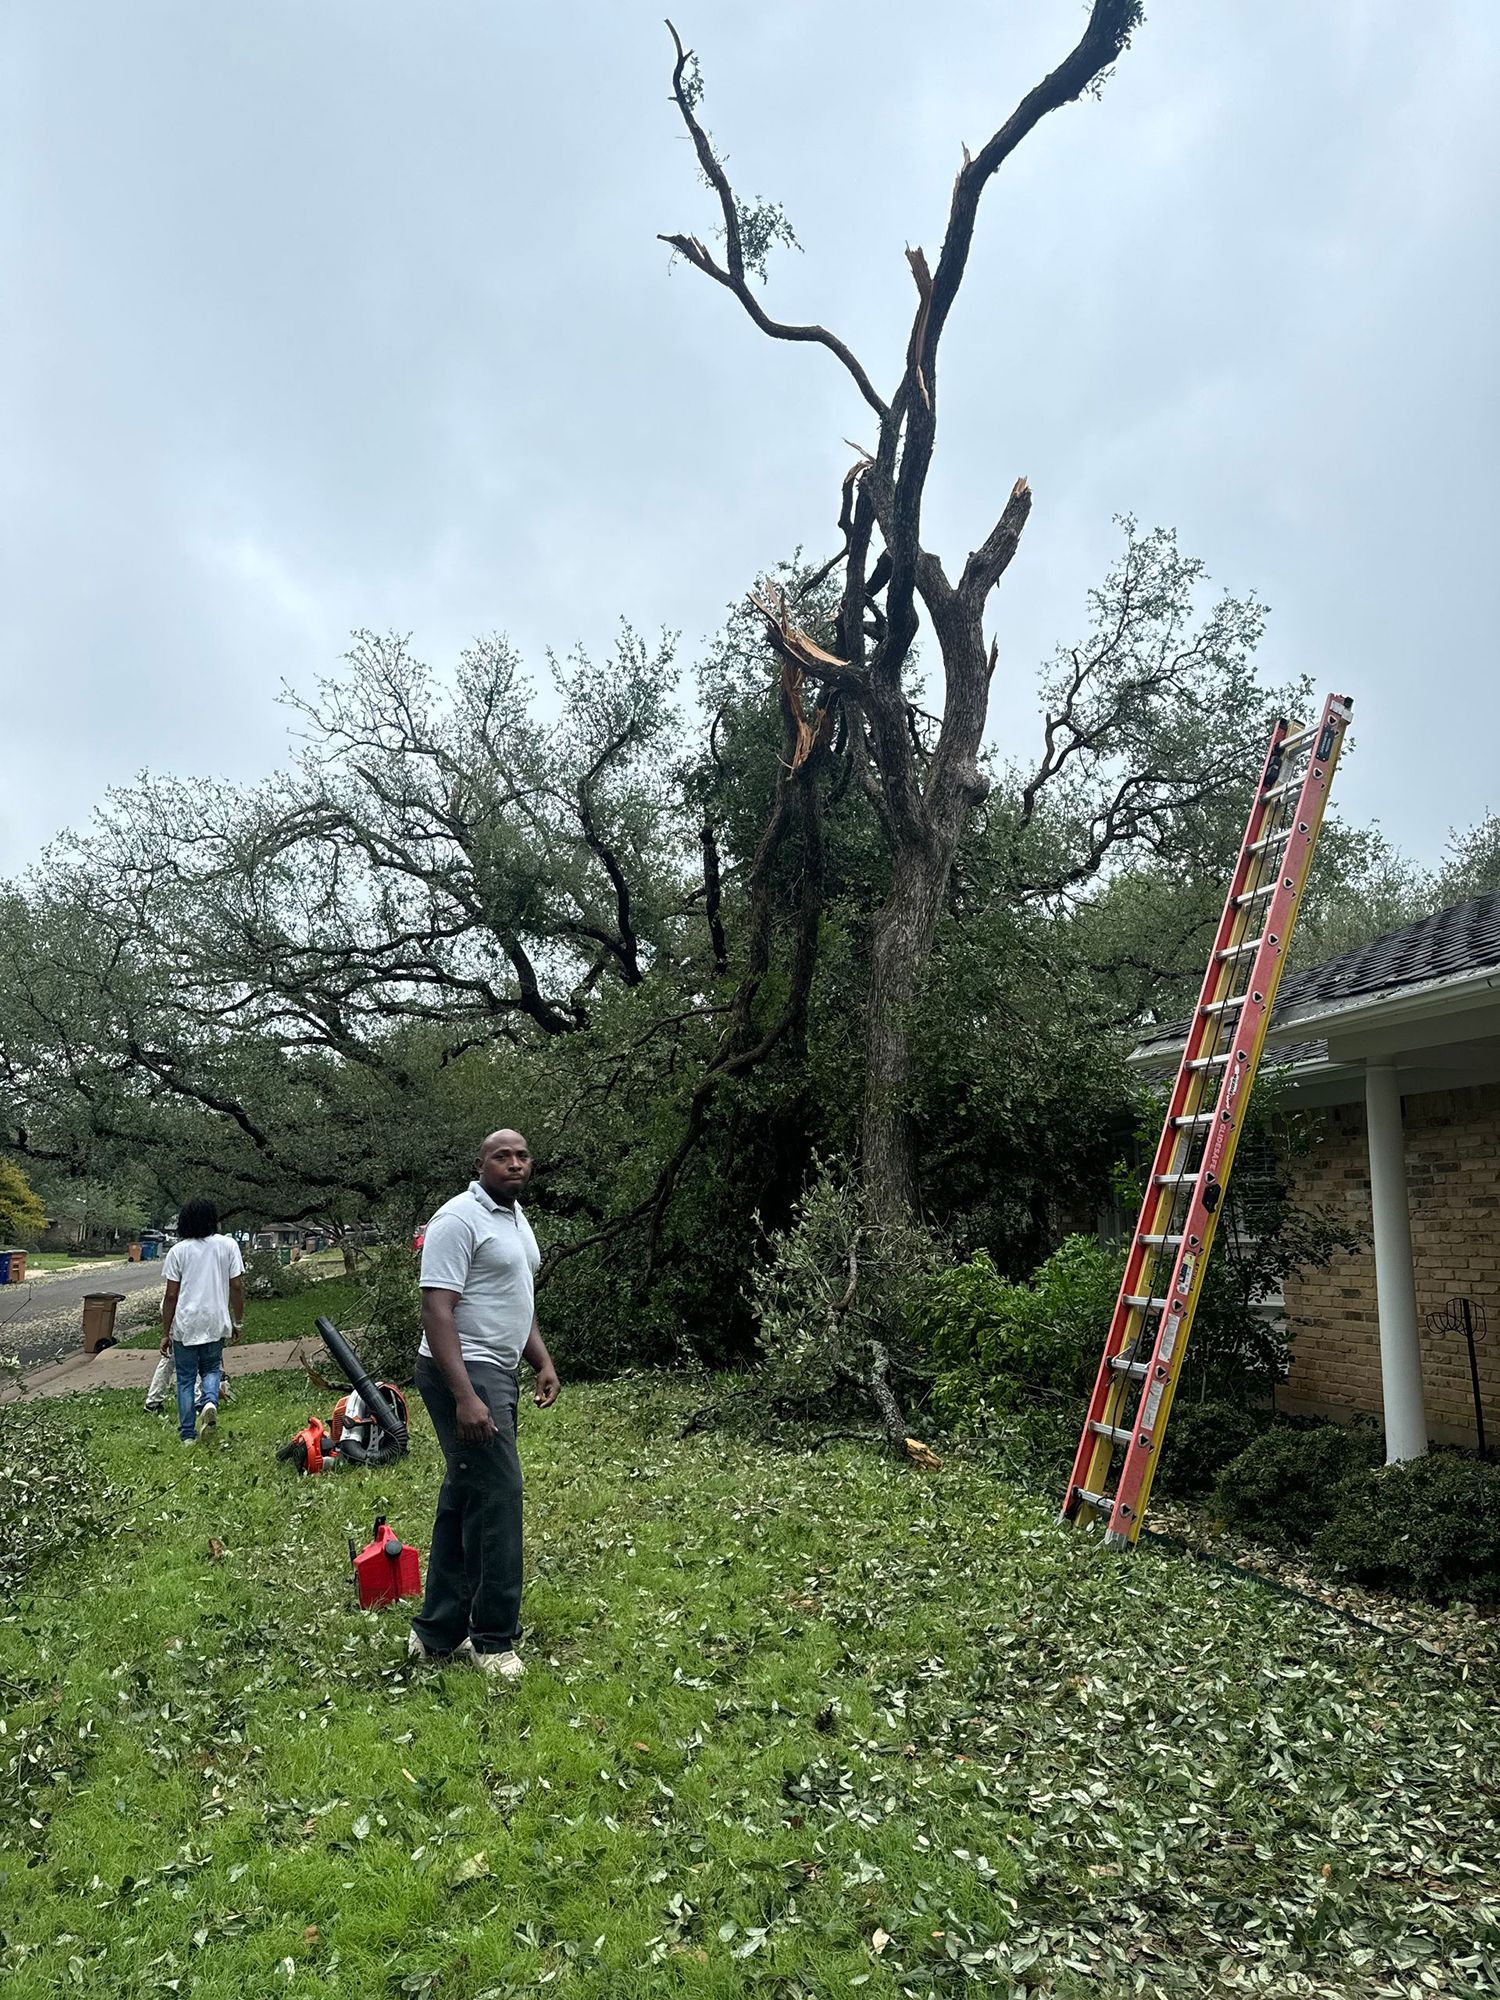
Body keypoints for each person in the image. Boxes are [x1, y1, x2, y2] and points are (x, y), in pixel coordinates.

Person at [409, 1129, 560, 1679]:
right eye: (503, 1156)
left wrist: (540, 1358)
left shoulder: (515, 1219)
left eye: (523, 1155)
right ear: (481, 1164)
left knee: (467, 1490)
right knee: (499, 1495)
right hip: (463, 1372)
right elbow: (436, 1311)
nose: (515, 1163)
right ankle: (493, 1640)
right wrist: (466, 1397)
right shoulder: (457, 1219)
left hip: (498, 1368)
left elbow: (517, 1297)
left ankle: (436, 1633)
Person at [158, 1199, 244, 1444]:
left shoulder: (178, 1251)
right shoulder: (228, 1245)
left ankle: (187, 1434)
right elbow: (236, 1286)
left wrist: (166, 1331)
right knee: (211, 1368)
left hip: (186, 1324)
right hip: (215, 1321)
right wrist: (238, 1321)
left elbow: (171, 1295)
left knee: (185, 1379)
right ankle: (209, 1401)